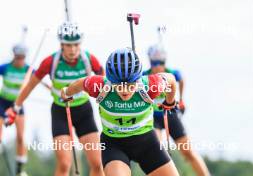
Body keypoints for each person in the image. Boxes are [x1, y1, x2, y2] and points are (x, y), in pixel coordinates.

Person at [61, 48, 180, 176]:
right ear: (111, 80)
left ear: (138, 80)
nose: (125, 90)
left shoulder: (150, 86)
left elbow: (171, 80)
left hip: (147, 143)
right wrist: (67, 92)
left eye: (130, 85)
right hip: (115, 145)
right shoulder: (99, 86)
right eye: (119, 85)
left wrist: (170, 102)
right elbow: (81, 83)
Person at [6, 22, 105, 176]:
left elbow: (103, 80)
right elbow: (30, 86)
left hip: (84, 111)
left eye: (76, 45)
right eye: (68, 45)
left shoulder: (89, 59)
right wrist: (16, 107)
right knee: (65, 163)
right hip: (60, 113)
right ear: (61, 44)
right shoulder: (50, 62)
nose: (72, 50)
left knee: (98, 163)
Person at [143, 44, 210, 176]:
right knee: (157, 150)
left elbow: (181, 79)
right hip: (153, 117)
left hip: (170, 114)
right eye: (154, 63)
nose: (157, 66)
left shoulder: (171, 73)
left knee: (187, 151)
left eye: (160, 62)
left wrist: (182, 99)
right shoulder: (145, 76)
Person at [0, 43, 29, 176]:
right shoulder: (6, 67)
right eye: (18, 57)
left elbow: (39, 79)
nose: (20, 60)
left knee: (21, 136)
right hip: (2, 103)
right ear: (14, 56)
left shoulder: (28, 70)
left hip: (17, 104)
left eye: (22, 57)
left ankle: (20, 169)